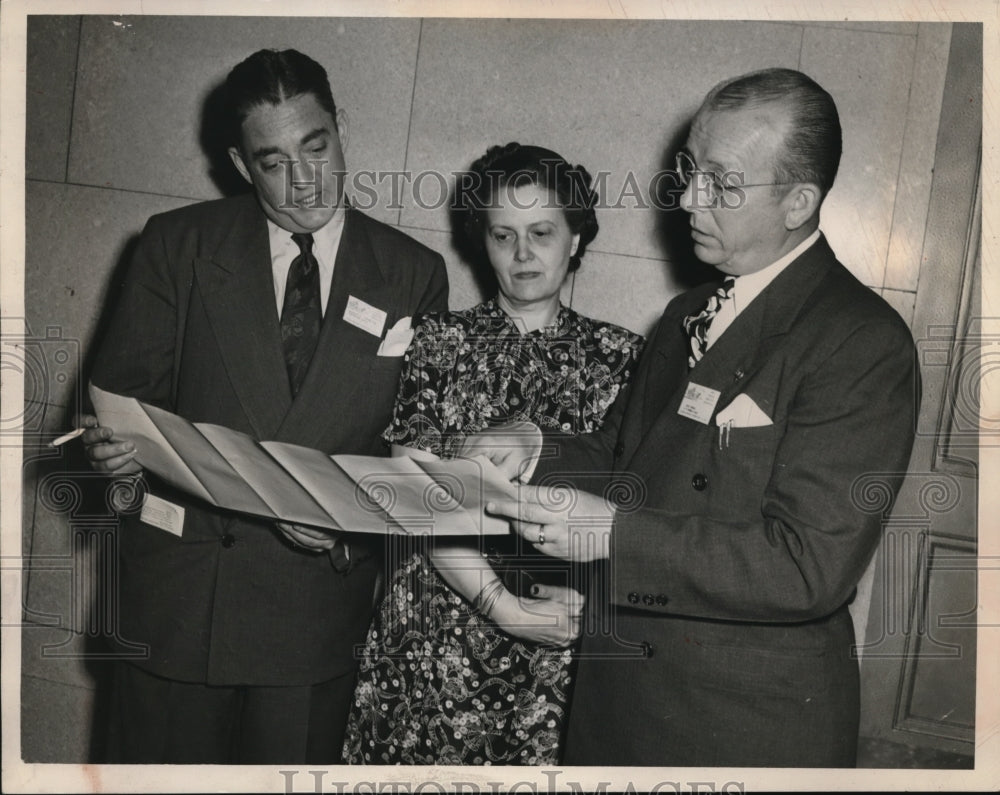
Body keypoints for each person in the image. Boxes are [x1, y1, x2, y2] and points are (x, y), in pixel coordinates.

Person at [474, 68, 919, 767]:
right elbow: (628, 459)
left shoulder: (860, 340)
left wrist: (610, 532)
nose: (687, 198)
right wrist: (535, 447)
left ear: (799, 202)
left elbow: (807, 566)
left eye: (721, 182)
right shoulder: (689, 312)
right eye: (688, 170)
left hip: (740, 721)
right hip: (621, 701)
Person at [79, 48, 448, 764]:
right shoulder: (177, 246)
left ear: (341, 129)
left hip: (312, 613)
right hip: (183, 607)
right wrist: (114, 463)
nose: (304, 179)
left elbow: (415, 461)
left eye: (317, 146)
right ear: (241, 165)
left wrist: (347, 530)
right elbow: (118, 411)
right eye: (273, 161)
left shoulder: (413, 274)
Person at [341, 143, 644, 765]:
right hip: (433, 641)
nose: (523, 253)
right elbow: (408, 493)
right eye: (503, 234)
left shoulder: (624, 358)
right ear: (482, 240)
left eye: (542, 232)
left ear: (576, 239)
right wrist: (502, 609)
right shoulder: (439, 341)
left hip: (558, 652)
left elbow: (631, 503)